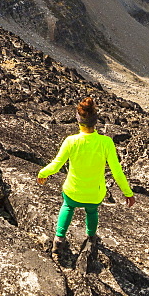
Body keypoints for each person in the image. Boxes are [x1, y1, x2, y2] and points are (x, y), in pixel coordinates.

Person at [37, 97, 134, 253]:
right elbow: (117, 172)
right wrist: (128, 193)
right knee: (92, 211)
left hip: (73, 191)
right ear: (95, 121)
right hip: (95, 193)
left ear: (78, 120)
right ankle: (91, 237)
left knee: (68, 207)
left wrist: (42, 173)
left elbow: (56, 165)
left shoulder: (71, 141)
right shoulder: (106, 142)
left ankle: (59, 239)